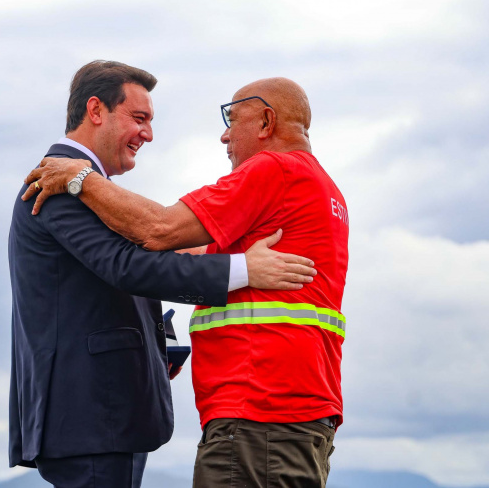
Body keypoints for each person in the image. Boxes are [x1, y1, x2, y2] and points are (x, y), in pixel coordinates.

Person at [23, 77, 349, 488]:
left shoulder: (273, 170)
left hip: (259, 409)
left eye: (233, 119)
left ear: (266, 122)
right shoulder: (323, 188)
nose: (224, 135)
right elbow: (185, 257)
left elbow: (159, 229)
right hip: (298, 412)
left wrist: (82, 179)